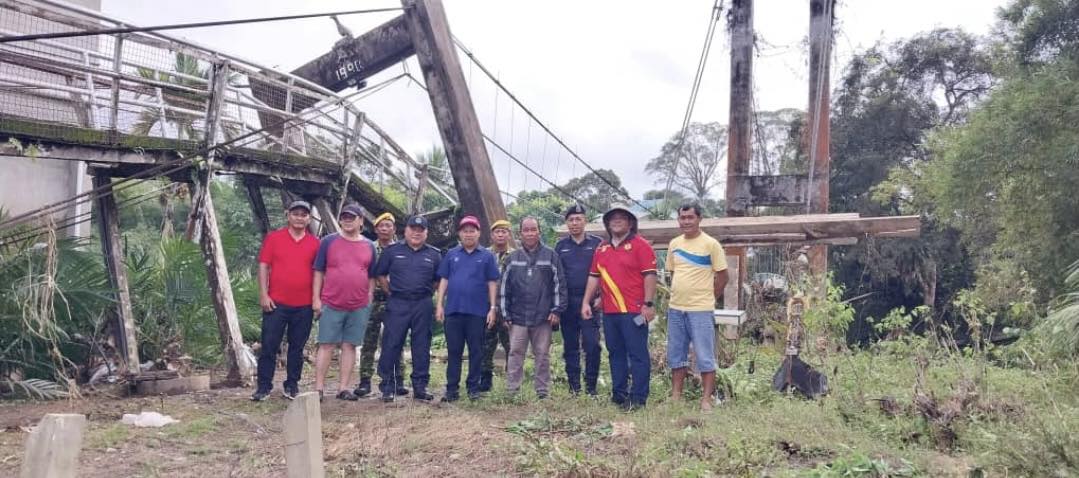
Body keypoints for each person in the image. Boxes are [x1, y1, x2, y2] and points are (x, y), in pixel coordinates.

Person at [582, 206, 658, 410]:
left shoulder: (640, 245)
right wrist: (585, 302)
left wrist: (648, 304)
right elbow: (594, 277)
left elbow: (650, 275)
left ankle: (638, 398)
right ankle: (619, 394)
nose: (616, 221)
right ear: (607, 223)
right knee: (615, 353)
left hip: (634, 310)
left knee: (637, 355)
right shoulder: (602, 248)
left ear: (630, 223)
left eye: (621, 218)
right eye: (612, 219)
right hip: (610, 312)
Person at [252, 200, 320, 401]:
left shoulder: (315, 243)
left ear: (309, 218)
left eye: (304, 214)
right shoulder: (274, 238)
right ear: (287, 215)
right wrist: (264, 294)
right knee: (269, 346)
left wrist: (317, 299)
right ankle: (263, 387)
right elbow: (264, 266)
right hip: (276, 303)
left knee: (297, 348)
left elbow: (318, 273)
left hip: (304, 305)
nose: (300, 218)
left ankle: (292, 384)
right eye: (296, 214)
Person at [371, 215, 441, 402]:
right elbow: (380, 274)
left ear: (426, 233)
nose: (416, 233)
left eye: (421, 230)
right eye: (413, 229)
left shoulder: (434, 254)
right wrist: (390, 292)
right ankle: (388, 386)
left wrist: (425, 294)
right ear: (406, 231)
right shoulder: (392, 251)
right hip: (398, 302)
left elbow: (437, 280)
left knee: (422, 345)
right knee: (391, 344)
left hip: (422, 304)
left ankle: (420, 387)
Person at [666, 203, 728, 411]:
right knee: (676, 354)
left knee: (704, 356)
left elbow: (723, 277)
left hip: (700, 310)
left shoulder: (711, 244)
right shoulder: (674, 244)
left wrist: (708, 299)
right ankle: (676, 396)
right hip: (676, 309)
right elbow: (673, 274)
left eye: (690, 217)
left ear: (699, 219)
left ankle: (706, 400)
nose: (686, 222)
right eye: (682, 218)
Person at [311, 204, 377, 401]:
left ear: (361, 221)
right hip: (331, 302)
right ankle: (319, 388)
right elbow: (319, 271)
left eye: (352, 217)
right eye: (344, 217)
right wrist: (316, 299)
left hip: (359, 305)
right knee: (326, 345)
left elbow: (371, 274)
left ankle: (343, 388)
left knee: (350, 346)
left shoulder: (369, 246)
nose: (347, 220)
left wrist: (370, 297)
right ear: (340, 220)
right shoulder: (328, 242)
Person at [500, 217, 567, 399]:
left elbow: (559, 285)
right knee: (515, 353)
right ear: (520, 233)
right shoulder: (512, 259)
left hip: (543, 316)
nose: (530, 233)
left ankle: (542, 390)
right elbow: (503, 288)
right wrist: (505, 314)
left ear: (539, 231)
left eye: (533, 229)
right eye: (526, 230)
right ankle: (512, 390)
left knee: (542, 354)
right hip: (517, 316)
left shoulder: (551, 256)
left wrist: (556, 310)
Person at [435, 215, 500, 401]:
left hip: (477, 312)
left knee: (476, 352)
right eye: (465, 231)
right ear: (459, 234)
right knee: (454, 351)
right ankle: (451, 390)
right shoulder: (451, 254)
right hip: (453, 311)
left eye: (472, 231)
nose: (469, 234)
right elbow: (444, 279)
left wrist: (493, 308)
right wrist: (439, 305)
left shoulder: (487, 256)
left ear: (479, 233)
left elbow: (492, 283)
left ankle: (473, 389)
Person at [354, 212, 409, 398]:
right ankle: (365, 381)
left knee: (396, 341)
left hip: (395, 299)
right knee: (369, 341)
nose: (385, 229)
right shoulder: (368, 248)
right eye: (381, 226)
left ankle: (398, 378)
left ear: (394, 229)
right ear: (376, 229)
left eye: (388, 226)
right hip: (372, 299)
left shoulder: (402, 249)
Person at [554, 204, 604, 396]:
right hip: (568, 303)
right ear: (566, 223)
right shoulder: (560, 246)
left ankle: (591, 387)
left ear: (585, 220)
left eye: (578, 219)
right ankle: (574, 386)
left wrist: (601, 297)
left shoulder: (598, 244)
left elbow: (605, 274)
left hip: (591, 302)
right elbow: (556, 277)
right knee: (570, 346)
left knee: (592, 345)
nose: (574, 223)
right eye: (571, 220)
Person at [479, 219, 514, 392]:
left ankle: (512, 383)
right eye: (497, 231)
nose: (500, 234)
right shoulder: (483, 254)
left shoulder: (516, 255)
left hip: (509, 307)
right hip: (487, 307)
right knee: (485, 344)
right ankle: (485, 381)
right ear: (491, 235)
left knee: (512, 346)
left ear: (509, 234)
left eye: (504, 231)